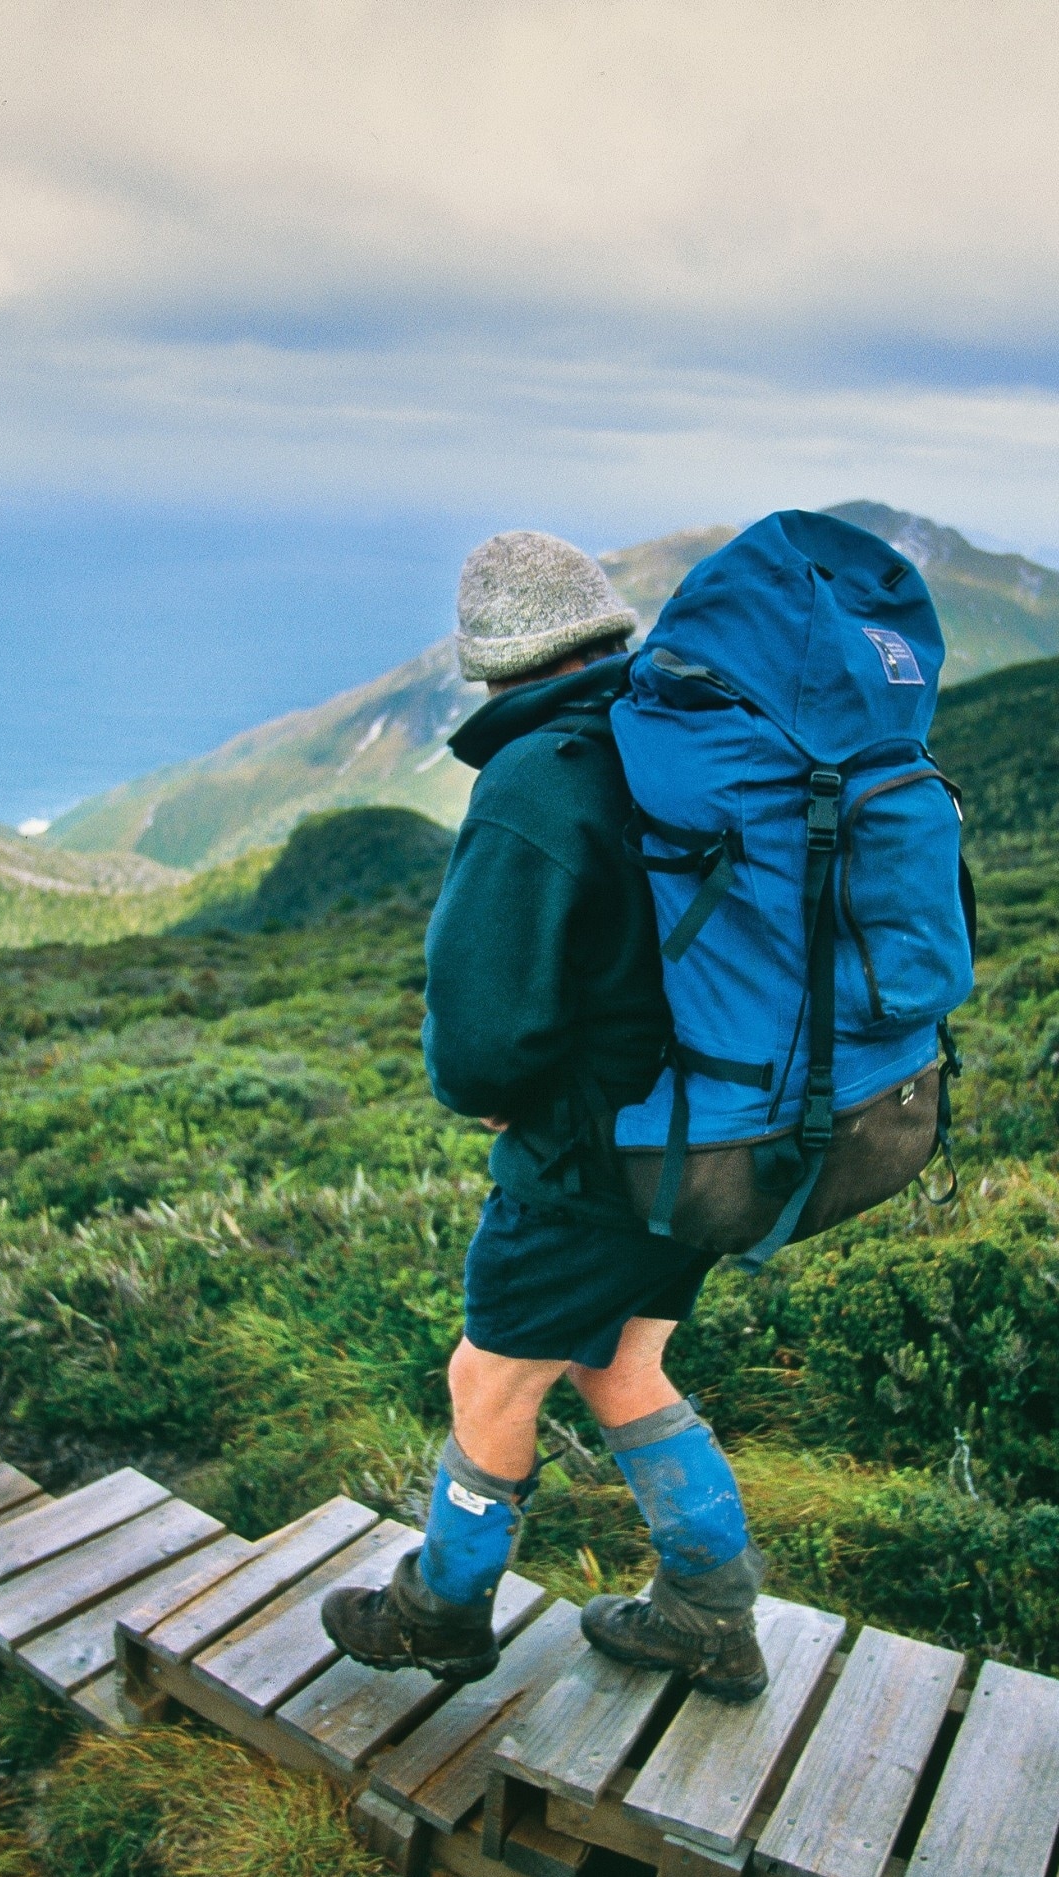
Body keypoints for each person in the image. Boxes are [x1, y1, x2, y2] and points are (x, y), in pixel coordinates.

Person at [321, 530, 768, 1699]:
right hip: (708, 1135)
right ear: (605, 631)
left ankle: (440, 1611)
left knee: (487, 1376)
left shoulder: (533, 778)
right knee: (621, 1363)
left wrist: (495, 1104)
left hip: (590, 1162)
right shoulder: (663, 737)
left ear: (487, 662)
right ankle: (711, 1615)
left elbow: (478, 1043)